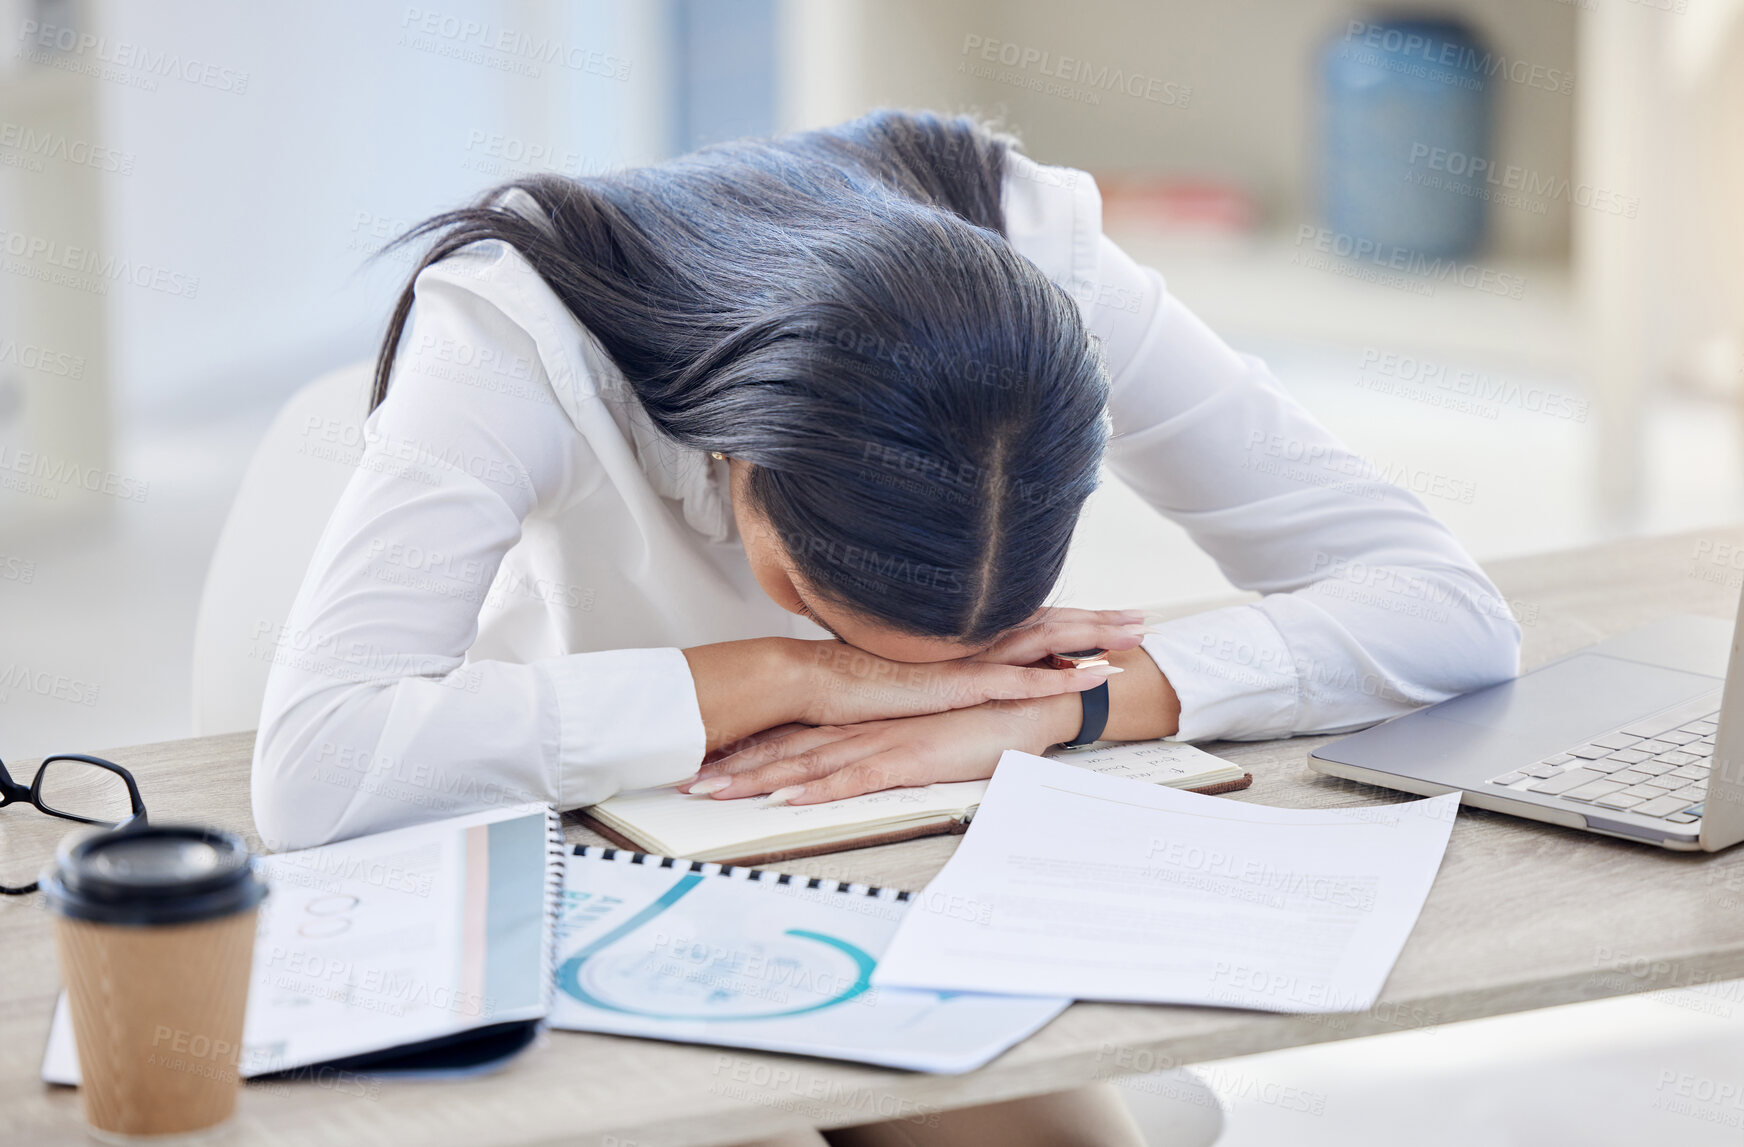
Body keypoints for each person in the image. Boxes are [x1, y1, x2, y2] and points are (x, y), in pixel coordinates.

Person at [251, 109, 1518, 1145]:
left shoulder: (1037, 258)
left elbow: (1446, 612)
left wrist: (1055, 705)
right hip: (603, 882)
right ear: (741, 450)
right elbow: (322, 763)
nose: (930, 675)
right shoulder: (514, 329)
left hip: (921, 880)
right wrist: (789, 676)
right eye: (817, 599)